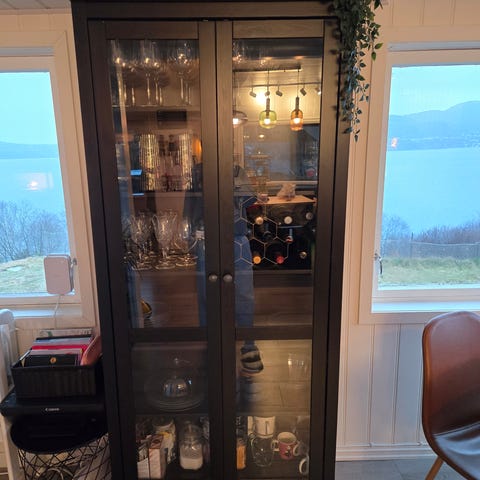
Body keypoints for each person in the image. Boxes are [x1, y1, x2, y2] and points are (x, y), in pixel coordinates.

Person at [188, 163, 263, 375]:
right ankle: (211, 341)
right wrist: (189, 239)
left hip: (237, 237)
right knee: (207, 293)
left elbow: (249, 199)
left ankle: (248, 343)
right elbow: (190, 208)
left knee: (244, 293)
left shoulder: (236, 170)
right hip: (204, 238)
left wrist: (230, 182)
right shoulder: (196, 171)